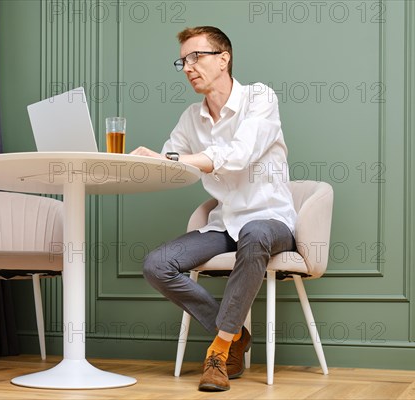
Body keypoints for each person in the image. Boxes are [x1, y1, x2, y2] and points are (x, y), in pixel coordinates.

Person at [130, 26, 297, 392]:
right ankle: (236, 334)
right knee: (157, 264)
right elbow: (175, 164)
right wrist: (146, 162)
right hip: (224, 225)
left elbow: (237, 157)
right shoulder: (192, 117)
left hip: (271, 221)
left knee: (254, 232)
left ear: (224, 59)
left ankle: (219, 353)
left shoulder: (259, 98)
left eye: (196, 57)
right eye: (183, 61)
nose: (188, 67)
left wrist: (175, 157)